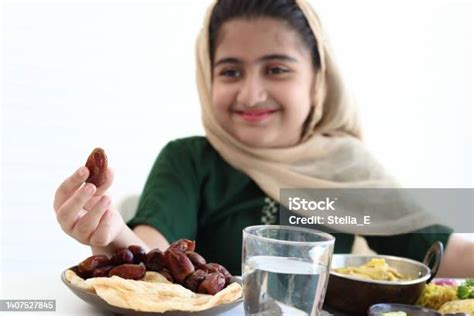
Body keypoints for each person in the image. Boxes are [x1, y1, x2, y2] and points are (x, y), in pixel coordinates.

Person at [53, 0, 473, 277]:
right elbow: (154, 253)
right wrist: (109, 233)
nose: (251, 94)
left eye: (276, 69)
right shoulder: (190, 160)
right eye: (231, 71)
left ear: (317, 82)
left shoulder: (346, 168)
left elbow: (442, 253)